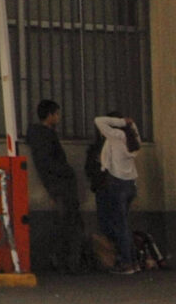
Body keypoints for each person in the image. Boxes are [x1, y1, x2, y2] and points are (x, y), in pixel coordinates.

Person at [25, 99, 86, 278]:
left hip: (56, 185)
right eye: (57, 114)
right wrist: (67, 172)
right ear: (50, 115)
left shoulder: (39, 136)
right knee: (68, 224)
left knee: (65, 223)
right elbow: (50, 163)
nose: (58, 117)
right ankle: (67, 263)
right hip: (61, 185)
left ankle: (65, 262)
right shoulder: (46, 136)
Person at [92, 111, 146, 274]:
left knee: (119, 225)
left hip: (117, 184)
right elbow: (132, 128)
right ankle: (134, 261)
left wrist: (120, 121)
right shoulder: (134, 140)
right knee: (124, 224)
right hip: (131, 184)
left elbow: (98, 120)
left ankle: (126, 262)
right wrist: (129, 123)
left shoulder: (115, 137)